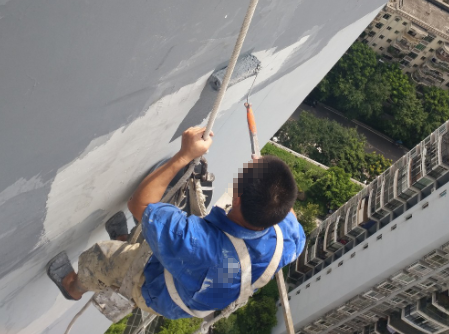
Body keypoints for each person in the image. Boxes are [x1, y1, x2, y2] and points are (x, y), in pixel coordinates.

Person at [47, 126, 306, 320]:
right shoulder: (289, 238)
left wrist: (185, 155)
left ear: (237, 199)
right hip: (204, 283)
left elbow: (139, 205)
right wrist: (264, 177)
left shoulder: (196, 244)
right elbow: (280, 199)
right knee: (162, 242)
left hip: (162, 291)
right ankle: (129, 241)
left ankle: (73, 287)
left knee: (100, 258)